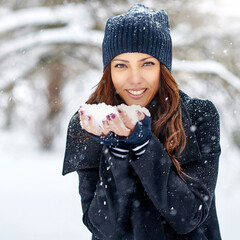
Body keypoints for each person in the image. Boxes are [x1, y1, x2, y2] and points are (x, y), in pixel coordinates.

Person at [62, 4, 221, 240]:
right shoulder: (88, 124)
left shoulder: (199, 115)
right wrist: (115, 150)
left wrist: (143, 147)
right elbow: (101, 226)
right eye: (121, 65)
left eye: (147, 63)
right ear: (109, 70)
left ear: (162, 67)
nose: (134, 79)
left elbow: (190, 216)